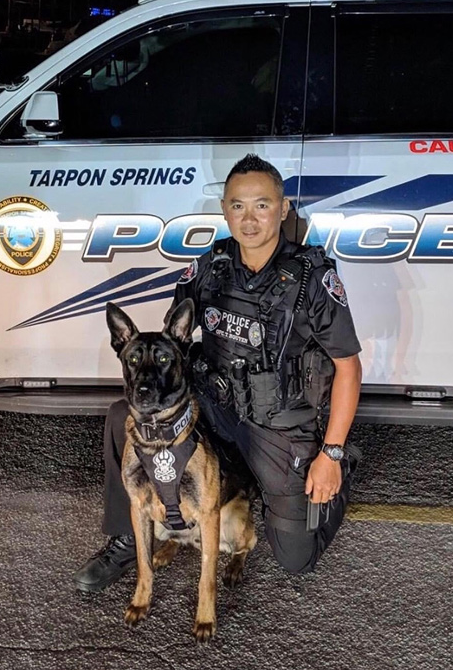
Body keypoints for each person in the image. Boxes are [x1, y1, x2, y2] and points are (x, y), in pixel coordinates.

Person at [73, 154, 362, 591]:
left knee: (296, 558)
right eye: (238, 206)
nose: (250, 219)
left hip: (277, 427)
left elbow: (349, 368)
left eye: (262, 205)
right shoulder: (211, 266)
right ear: (225, 209)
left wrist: (333, 453)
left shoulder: (311, 278)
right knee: (122, 417)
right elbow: (174, 339)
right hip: (214, 407)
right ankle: (128, 537)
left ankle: (333, 472)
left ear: (283, 209)